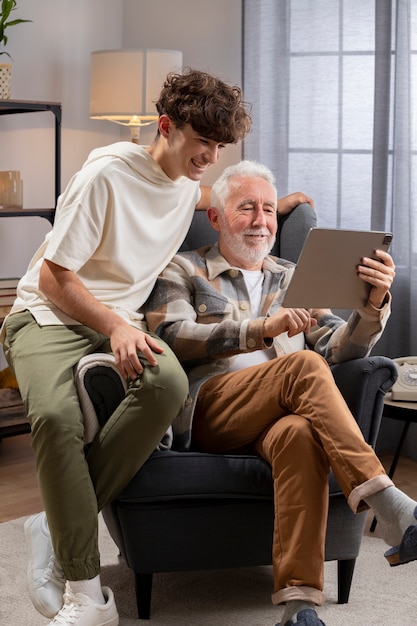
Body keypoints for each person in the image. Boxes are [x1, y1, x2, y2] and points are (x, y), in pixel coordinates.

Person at [0, 69, 311, 626]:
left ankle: (54, 522)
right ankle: (86, 596)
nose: (210, 158)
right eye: (202, 144)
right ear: (166, 127)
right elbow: (54, 278)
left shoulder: (187, 185)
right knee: (54, 417)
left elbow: (206, 195)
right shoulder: (105, 174)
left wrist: (277, 203)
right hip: (50, 313)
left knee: (167, 384)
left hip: (118, 321)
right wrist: (119, 328)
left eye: (220, 147)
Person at [143, 160, 417, 626]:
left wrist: (373, 307)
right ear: (215, 217)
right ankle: (391, 506)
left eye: (269, 210)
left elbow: (337, 346)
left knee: (301, 435)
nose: (261, 221)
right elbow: (170, 334)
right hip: (211, 410)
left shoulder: (291, 275)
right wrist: (258, 330)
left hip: (278, 416)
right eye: (246, 208)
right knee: (303, 366)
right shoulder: (183, 267)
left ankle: (299, 607)